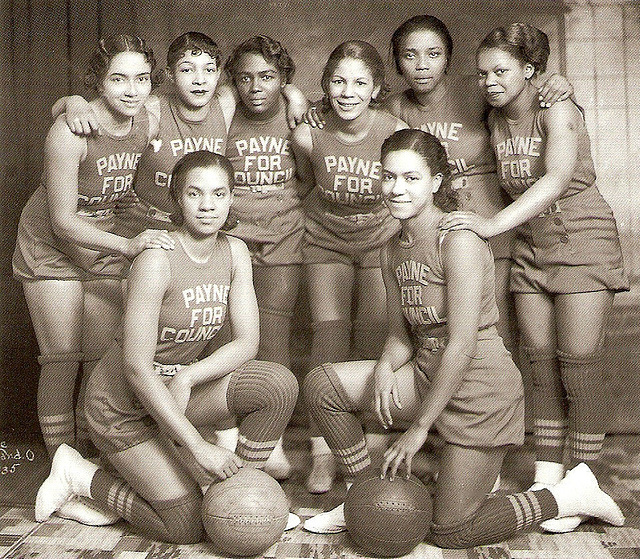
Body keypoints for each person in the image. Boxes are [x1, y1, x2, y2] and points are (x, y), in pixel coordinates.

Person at [301, 128, 625, 546]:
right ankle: (364, 500)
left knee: (451, 530)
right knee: (323, 386)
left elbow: (462, 345)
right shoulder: (391, 249)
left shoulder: (458, 242)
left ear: (436, 183)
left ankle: (567, 495)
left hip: (480, 392)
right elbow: (402, 336)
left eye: (411, 178)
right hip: (425, 375)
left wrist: (419, 428)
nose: (397, 189)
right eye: (389, 177)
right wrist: (384, 367)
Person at [35, 150, 300, 542]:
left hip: (176, 389)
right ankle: (82, 476)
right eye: (194, 194)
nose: (207, 205)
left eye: (218, 193)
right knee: (187, 525)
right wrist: (198, 447)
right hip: (123, 406)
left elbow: (247, 342)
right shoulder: (157, 259)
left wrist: (190, 375)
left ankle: (241, 496)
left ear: (231, 199)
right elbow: (136, 368)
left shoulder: (235, 252)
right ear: (177, 198)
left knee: (277, 385)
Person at [439, 23, 628, 533]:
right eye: (482, 74)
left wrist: (491, 224)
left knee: (579, 365)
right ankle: (550, 478)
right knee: (538, 363)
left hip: (582, 239)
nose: (490, 82)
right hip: (532, 247)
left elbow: (557, 176)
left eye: (501, 71)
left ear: (530, 70)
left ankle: (586, 478)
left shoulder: (558, 109)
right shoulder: (495, 117)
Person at [12, 34, 172, 468]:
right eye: (118, 79)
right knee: (63, 356)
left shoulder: (148, 119)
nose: (132, 89)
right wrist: (69, 106)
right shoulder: (69, 131)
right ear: (98, 82)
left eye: (141, 78)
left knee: (103, 356)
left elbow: (212, 92)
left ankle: (95, 459)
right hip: (52, 246)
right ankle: (62, 463)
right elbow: (63, 221)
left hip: (100, 236)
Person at [53, 32, 308, 237]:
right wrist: (72, 101)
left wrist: (294, 95)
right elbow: (108, 109)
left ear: (219, 76)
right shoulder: (151, 107)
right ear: (170, 75)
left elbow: (261, 79)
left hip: (191, 227)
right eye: (187, 70)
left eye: (208, 70)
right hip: (144, 225)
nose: (199, 80)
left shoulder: (225, 102)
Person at [291, 40, 406, 493]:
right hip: (326, 242)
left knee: (377, 332)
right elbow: (302, 182)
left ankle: (374, 446)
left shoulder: (392, 129)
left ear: (376, 88)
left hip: (379, 240)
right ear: (325, 86)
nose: (348, 92)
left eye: (360, 82)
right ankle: (324, 451)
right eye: (338, 81)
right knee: (330, 334)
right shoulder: (307, 134)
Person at [221, 36, 306, 479]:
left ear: (284, 79)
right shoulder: (223, 114)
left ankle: (267, 441)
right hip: (230, 239)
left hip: (284, 239)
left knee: (273, 339)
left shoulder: (299, 117)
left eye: (268, 77)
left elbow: (314, 175)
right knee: (224, 335)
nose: (256, 87)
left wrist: (296, 96)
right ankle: (227, 432)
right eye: (246, 78)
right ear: (232, 83)